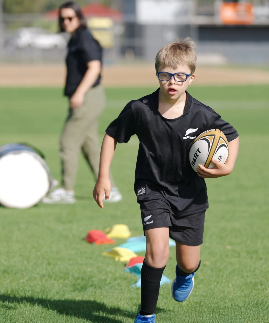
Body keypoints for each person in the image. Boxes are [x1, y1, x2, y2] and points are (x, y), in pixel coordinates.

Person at [93, 38, 240, 322]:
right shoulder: (140, 109)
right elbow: (112, 134)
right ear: (157, 73)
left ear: (191, 78)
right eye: (165, 75)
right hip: (153, 189)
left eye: (180, 76)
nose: (172, 82)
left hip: (190, 195)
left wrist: (227, 167)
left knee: (188, 261)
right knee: (157, 254)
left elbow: (231, 135)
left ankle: (185, 275)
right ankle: (146, 315)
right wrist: (103, 177)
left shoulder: (202, 114)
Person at [43, 1, 121, 204]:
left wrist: (79, 93)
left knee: (67, 142)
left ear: (79, 18)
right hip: (88, 97)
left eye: (70, 18)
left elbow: (94, 67)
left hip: (88, 97)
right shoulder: (75, 38)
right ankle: (110, 191)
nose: (66, 21)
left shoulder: (84, 38)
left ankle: (67, 191)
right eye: (63, 18)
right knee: (90, 147)